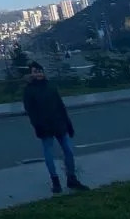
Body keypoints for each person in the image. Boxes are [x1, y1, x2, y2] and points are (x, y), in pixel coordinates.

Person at [22, 62, 89, 194]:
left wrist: (68, 124)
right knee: (49, 154)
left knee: (69, 151)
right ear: (31, 74)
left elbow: (60, 106)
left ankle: (72, 179)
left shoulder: (51, 86)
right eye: (35, 71)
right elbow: (31, 112)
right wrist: (37, 126)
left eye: (40, 71)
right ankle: (55, 181)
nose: (39, 73)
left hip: (59, 124)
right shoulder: (29, 90)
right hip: (44, 127)